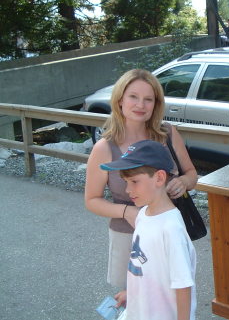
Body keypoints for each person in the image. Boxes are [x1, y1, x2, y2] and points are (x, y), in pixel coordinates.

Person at [85, 69, 198, 290]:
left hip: (169, 231)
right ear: (119, 101)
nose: (141, 105)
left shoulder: (168, 134)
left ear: (156, 104)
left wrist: (183, 182)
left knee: (172, 293)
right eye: (133, 97)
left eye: (149, 99)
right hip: (129, 234)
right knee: (134, 300)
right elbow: (91, 200)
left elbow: (192, 174)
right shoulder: (105, 147)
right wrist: (127, 212)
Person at [100, 140, 197, 320]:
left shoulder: (171, 229)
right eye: (125, 181)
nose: (128, 190)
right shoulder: (143, 214)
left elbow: (183, 286)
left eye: (134, 181)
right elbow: (145, 265)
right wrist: (132, 293)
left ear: (159, 178)